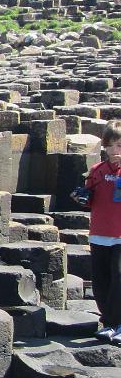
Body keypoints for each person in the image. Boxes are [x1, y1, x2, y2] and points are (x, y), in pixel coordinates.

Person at [77, 120, 121, 344]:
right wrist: (81, 197)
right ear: (104, 147)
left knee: (119, 279)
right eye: (111, 146)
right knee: (101, 281)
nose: (115, 151)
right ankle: (109, 322)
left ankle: (118, 323)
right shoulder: (97, 171)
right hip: (99, 233)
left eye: (120, 146)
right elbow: (89, 199)